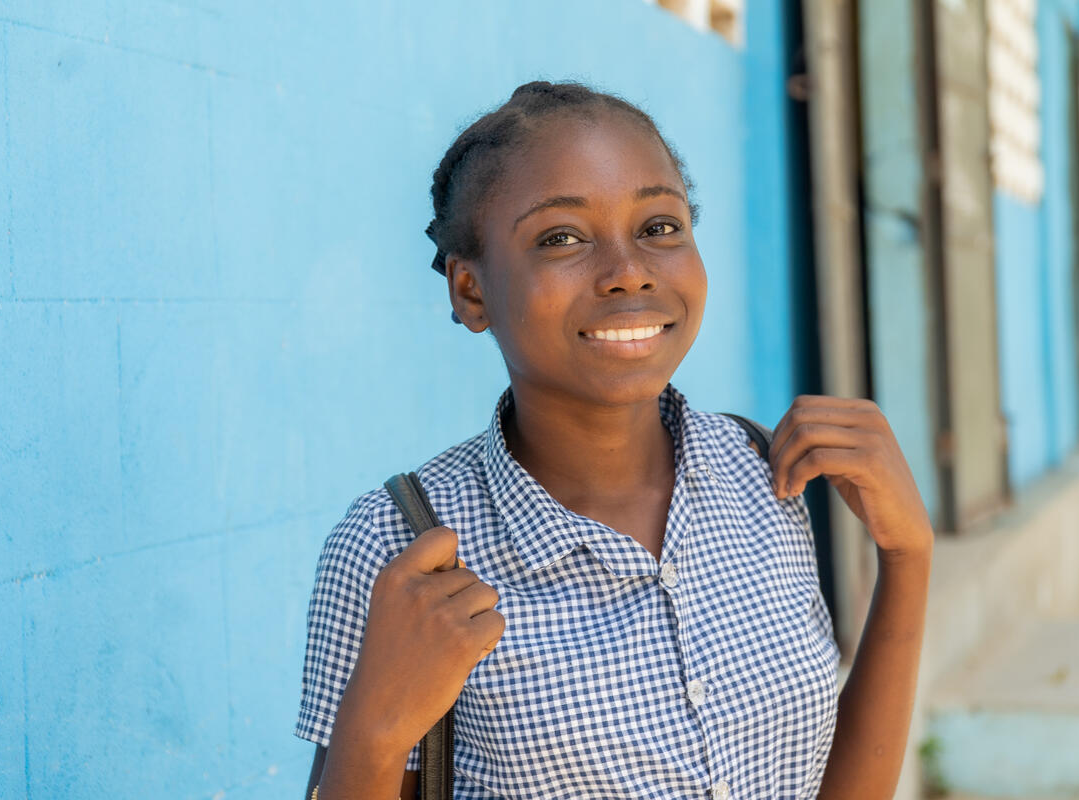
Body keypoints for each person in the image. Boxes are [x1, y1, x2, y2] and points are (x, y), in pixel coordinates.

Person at [297, 80, 933, 800]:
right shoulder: (398, 546)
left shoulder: (765, 472)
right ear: (470, 291)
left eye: (659, 227)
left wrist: (907, 557)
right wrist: (375, 730)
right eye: (560, 238)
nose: (629, 272)